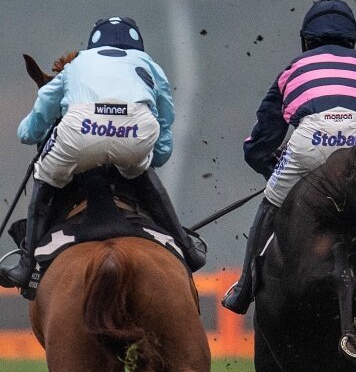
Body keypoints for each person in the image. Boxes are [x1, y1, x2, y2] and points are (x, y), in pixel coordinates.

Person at [222, 0, 356, 314]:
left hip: (312, 139)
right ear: (352, 39)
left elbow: (260, 141)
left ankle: (244, 287)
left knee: (270, 203)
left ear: (307, 41)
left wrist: (275, 171)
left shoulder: (293, 68)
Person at [0, 16, 204, 296]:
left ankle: (26, 265)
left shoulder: (76, 65)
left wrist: (29, 132)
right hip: (136, 130)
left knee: (44, 174)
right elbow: (165, 122)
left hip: (81, 131)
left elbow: (35, 122)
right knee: (140, 170)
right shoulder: (149, 65)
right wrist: (152, 157)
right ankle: (187, 248)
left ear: (93, 46)